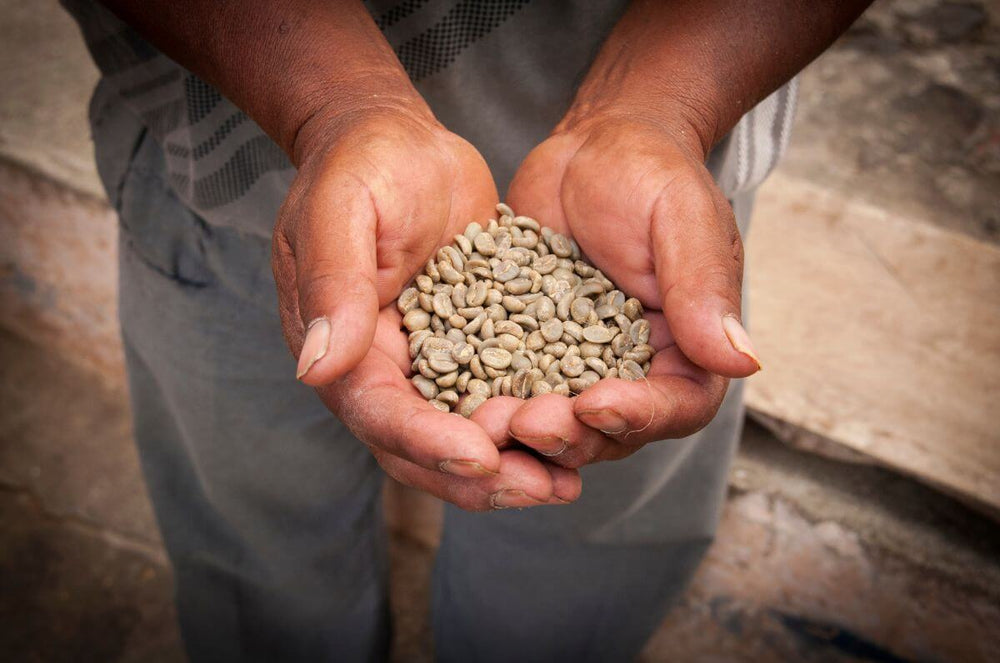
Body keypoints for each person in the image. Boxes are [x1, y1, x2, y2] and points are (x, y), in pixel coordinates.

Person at [63, 1, 871, 660]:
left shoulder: (620, 292)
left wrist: (657, 108)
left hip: (649, 234)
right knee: (259, 548)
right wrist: (334, 105)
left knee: (573, 572)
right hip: (243, 169)